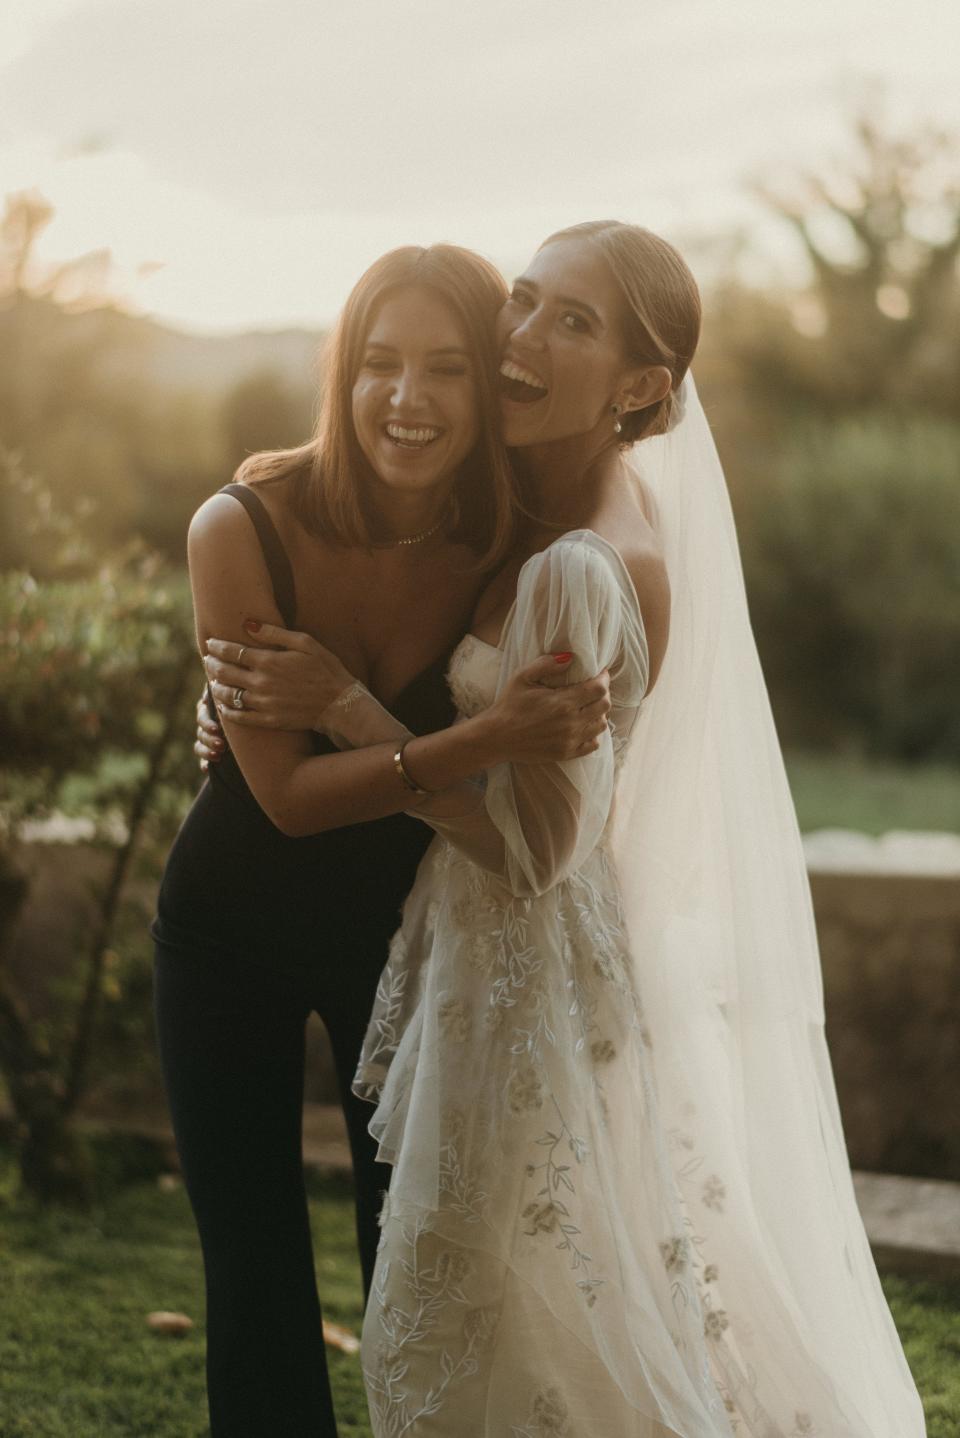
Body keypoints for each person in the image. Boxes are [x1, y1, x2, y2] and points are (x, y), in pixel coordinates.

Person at [202, 221, 926, 1436]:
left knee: (494, 1326)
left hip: (512, 966)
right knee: (487, 1318)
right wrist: (238, 714)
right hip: (449, 953)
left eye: (571, 323)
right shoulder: (512, 509)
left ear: (645, 386)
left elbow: (538, 852)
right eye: (525, 303)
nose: (523, 339)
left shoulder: (585, 566)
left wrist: (341, 708)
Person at [152, 243, 610, 1438]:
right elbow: (288, 801)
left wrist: (368, 712)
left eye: (447, 369)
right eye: (381, 364)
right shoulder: (241, 522)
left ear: (485, 389)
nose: (408, 399)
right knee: (252, 1270)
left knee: (407, 1256)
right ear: (341, 373)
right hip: (225, 934)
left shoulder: (511, 549)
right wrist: (488, 733)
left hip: (402, 940)